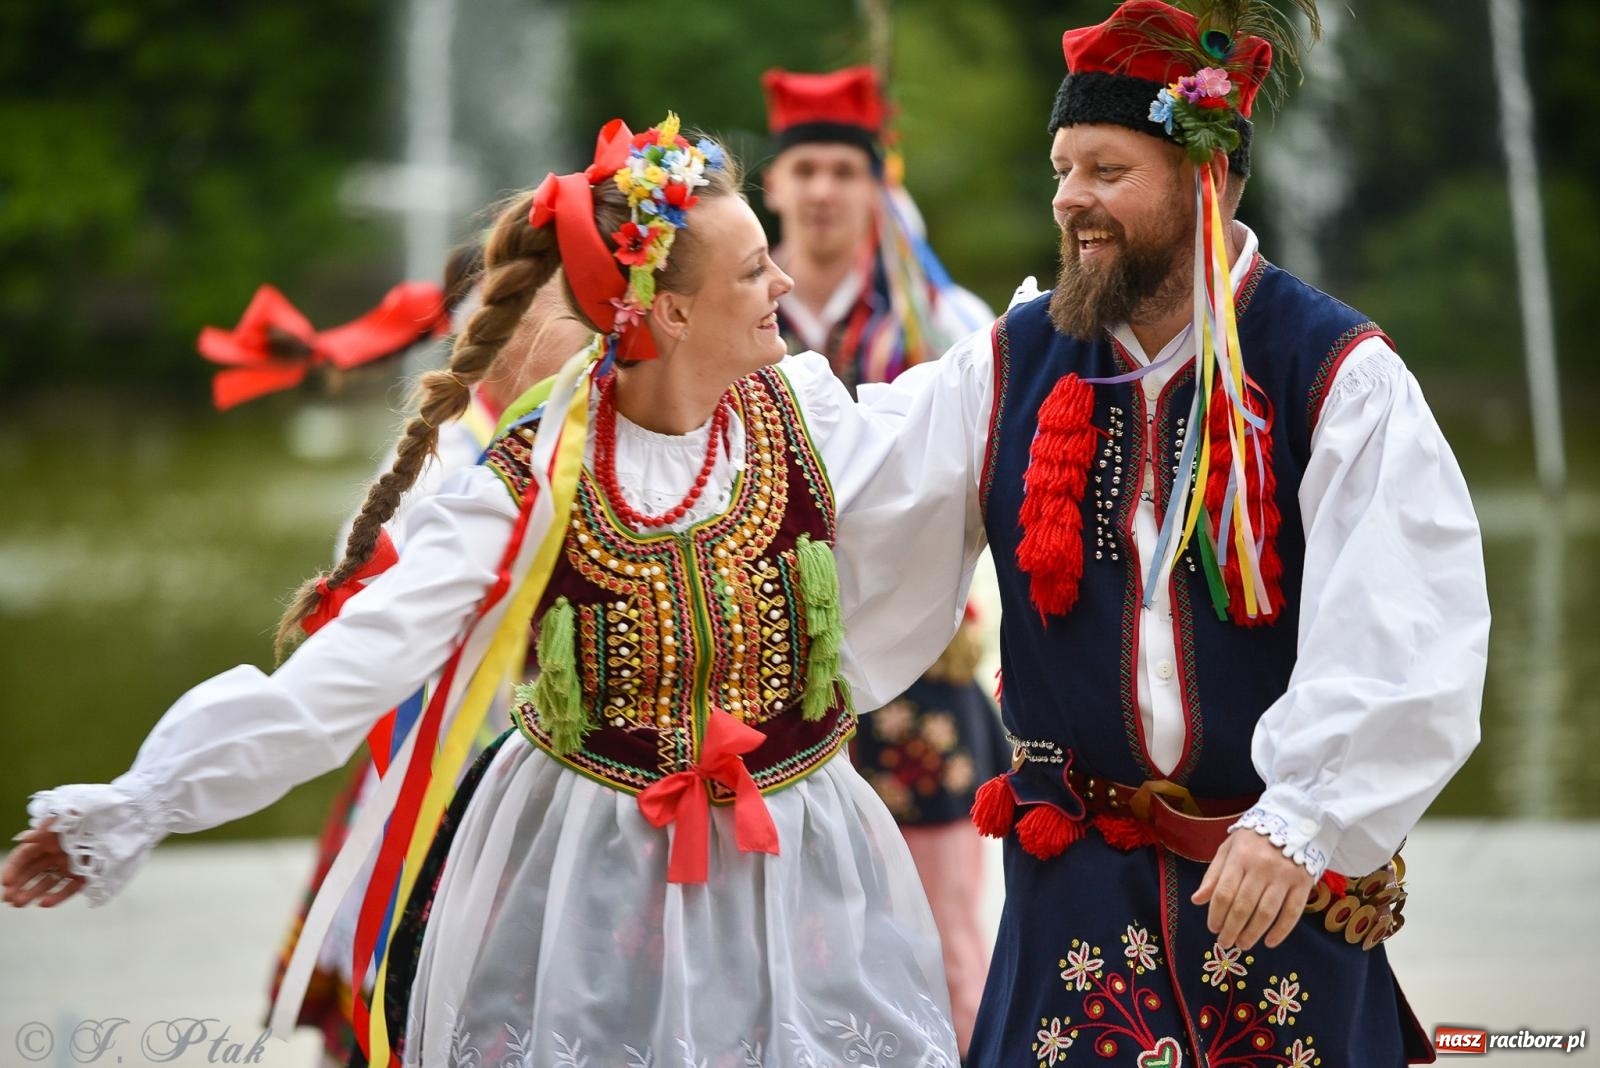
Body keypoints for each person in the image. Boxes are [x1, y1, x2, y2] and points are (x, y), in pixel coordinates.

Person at [4, 115, 965, 1067]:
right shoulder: (528, 485)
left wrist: (1075, 312)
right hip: (602, 877)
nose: (784, 282)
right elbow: (338, 679)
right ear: (669, 312)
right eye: (755, 268)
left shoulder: (799, 411)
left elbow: (951, 423)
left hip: (795, 864)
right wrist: (135, 806)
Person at [952, 3, 1486, 1064]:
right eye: (1063, 169)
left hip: (1271, 894)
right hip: (1074, 897)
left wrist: (1305, 820)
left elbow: (1408, 630)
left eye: (1105, 170)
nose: (1070, 201)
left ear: (1206, 179)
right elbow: (852, 485)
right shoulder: (1010, 361)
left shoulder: (1333, 370)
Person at [762, 64, 1006, 1056]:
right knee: (781, 932)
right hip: (769, 672)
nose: (821, 191)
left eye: (842, 171)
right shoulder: (731, 314)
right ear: (771, 188)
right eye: (802, 170)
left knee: (941, 930)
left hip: (920, 677)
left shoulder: (944, 323)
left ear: (878, 188)